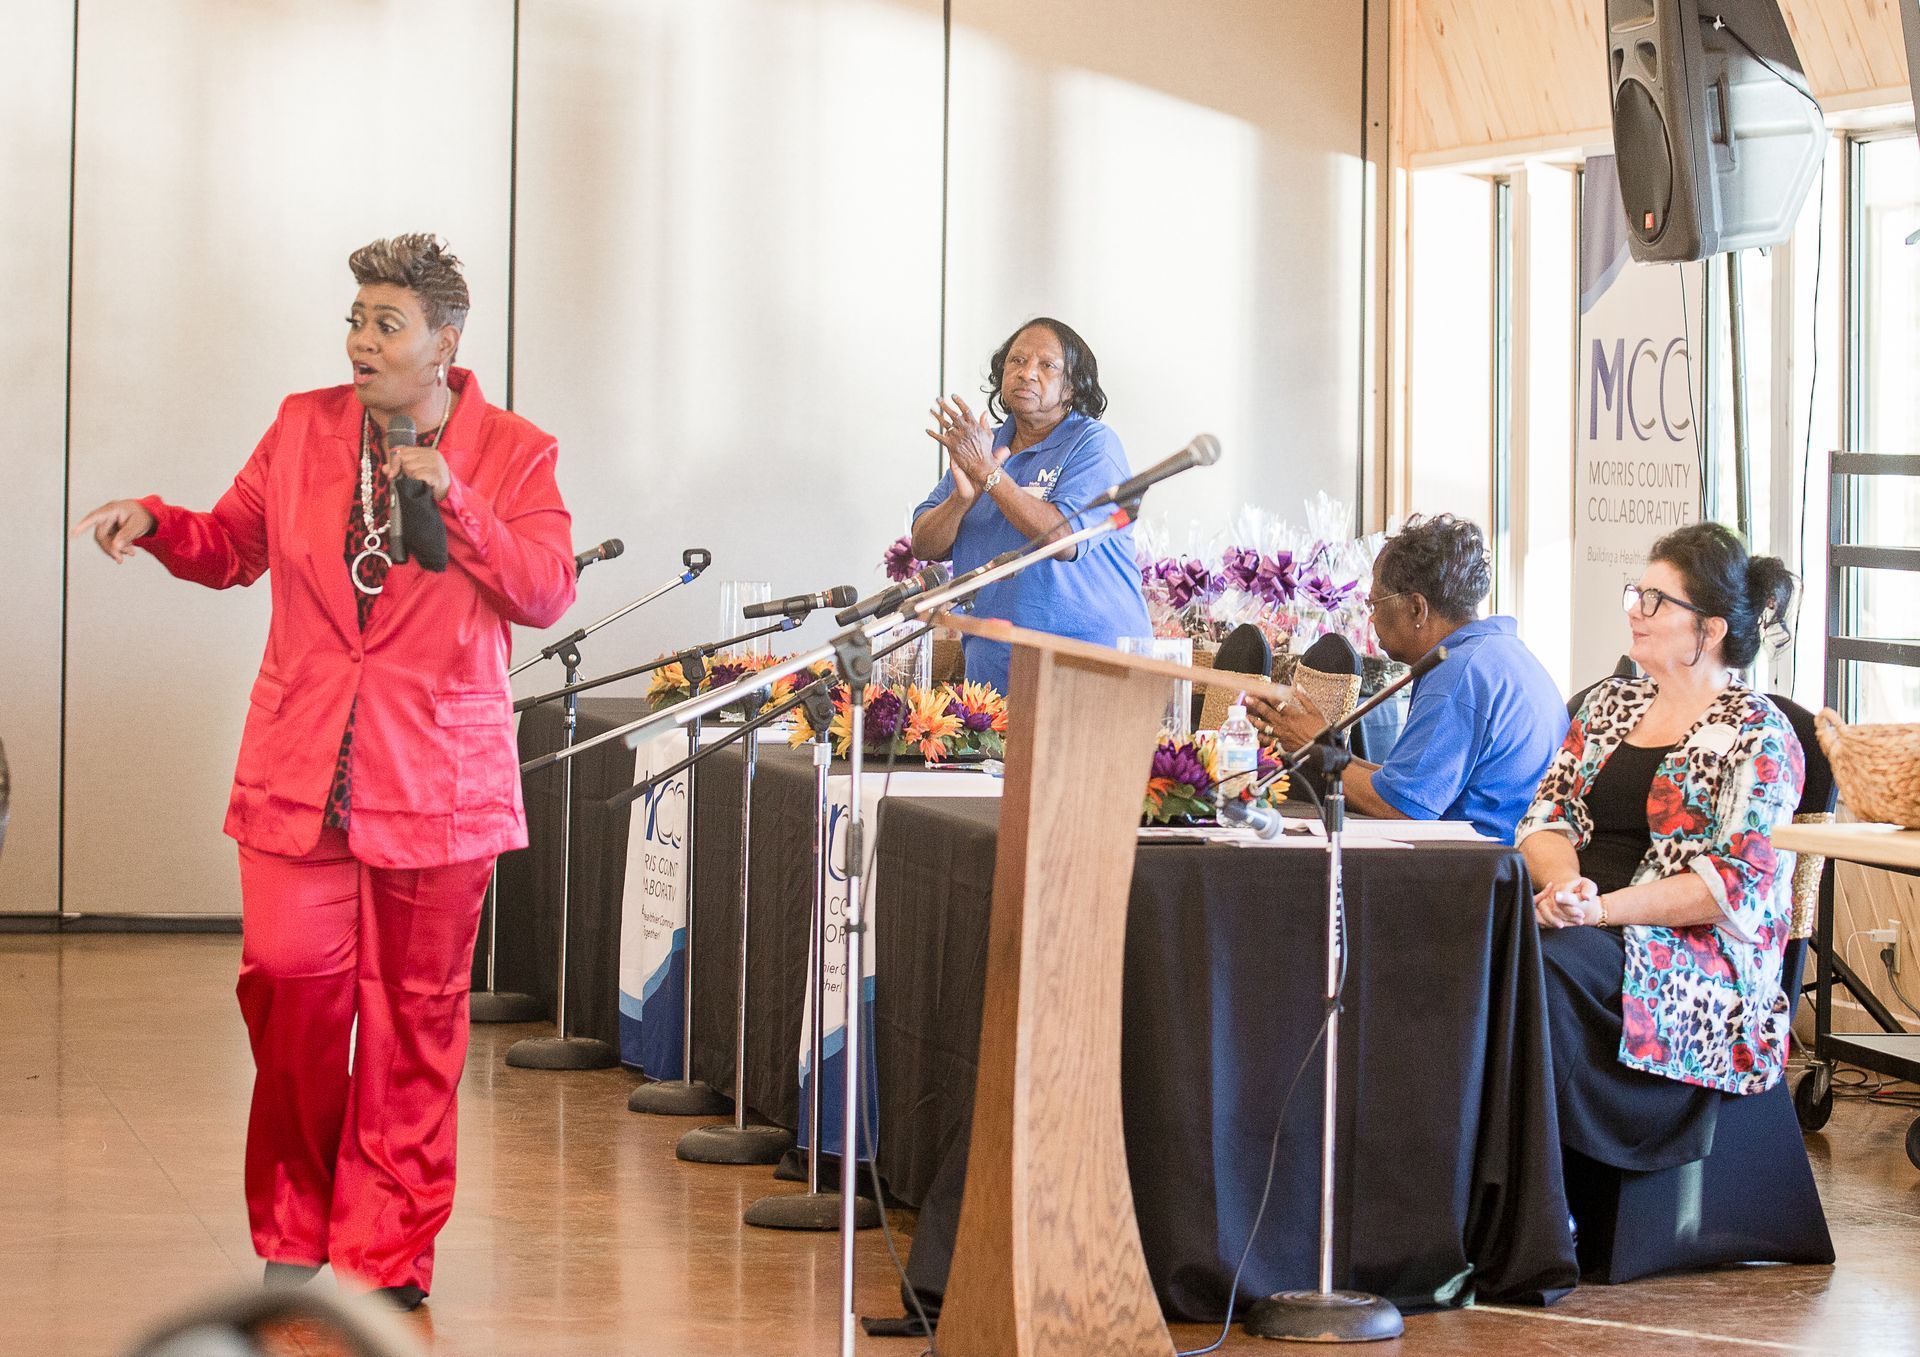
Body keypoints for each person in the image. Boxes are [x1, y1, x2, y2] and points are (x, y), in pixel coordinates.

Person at [71, 234, 576, 1309]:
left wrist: (459, 499)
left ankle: (383, 1254)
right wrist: (157, 523)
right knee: (287, 989)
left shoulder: (515, 451)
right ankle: (295, 1222)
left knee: (413, 1025)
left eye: (387, 323)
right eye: (355, 320)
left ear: (445, 343)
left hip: (438, 780)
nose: (361, 341)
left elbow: (543, 590)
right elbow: (231, 545)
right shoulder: (303, 427)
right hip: (302, 768)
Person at [1517, 523, 1801, 1175]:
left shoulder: (1759, 733)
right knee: (1477, 950)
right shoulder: (1609, 705)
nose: (1635, 612)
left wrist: (1601, 910)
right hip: (1580, 919)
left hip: (1692, 952)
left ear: (1710, 630)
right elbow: (1547, 815)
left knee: (1537, 971)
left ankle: (1537, 1199)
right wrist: (1565, 888)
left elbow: (1730, 887)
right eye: (1636, 594)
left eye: (1655, 600)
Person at [1247, 514, 1565, 844]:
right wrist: (1325, 748)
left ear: (1416, 608)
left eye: (1374, 604)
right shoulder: (1498, 652)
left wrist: (1315, 747)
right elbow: (1400, 784)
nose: (1371, 619)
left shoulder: (1459, 673)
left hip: (1477, 863)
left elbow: (1403, 808)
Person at [910, 317, 1150, 695]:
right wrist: (961, 500)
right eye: (1017, 361)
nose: (1027, 373)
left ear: (1072, 387)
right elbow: (924, 544)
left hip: (1087, 665)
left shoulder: (1093, 444)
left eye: (1047, 365)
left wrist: (990, 475)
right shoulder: (985, 446)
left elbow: (1064, 538)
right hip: (994, 665)